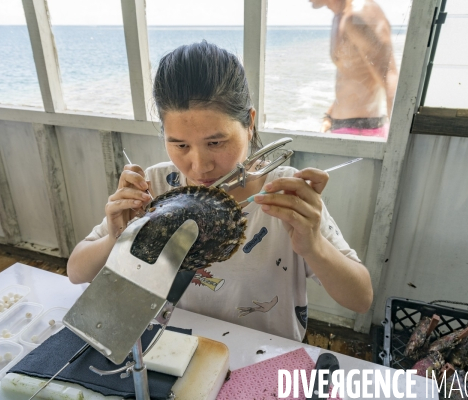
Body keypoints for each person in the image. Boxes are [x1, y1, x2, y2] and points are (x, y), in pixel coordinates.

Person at [67, 41, 373, 342]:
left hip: (263, 356)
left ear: (249, 124)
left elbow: (360, 298)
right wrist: (115, 238)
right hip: (174, 349)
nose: (199, 167)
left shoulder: (286, 196)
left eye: (216, 143)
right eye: (180, 144)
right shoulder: (155, 187)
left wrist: (314, 246)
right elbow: (76, 272)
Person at [310, 0, 399, 138]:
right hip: (343, 128)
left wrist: (396, 141)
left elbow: (390, 78)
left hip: (363, 133)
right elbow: (353, 74)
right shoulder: (339, 16)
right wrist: (329, 117)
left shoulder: (360, 13)